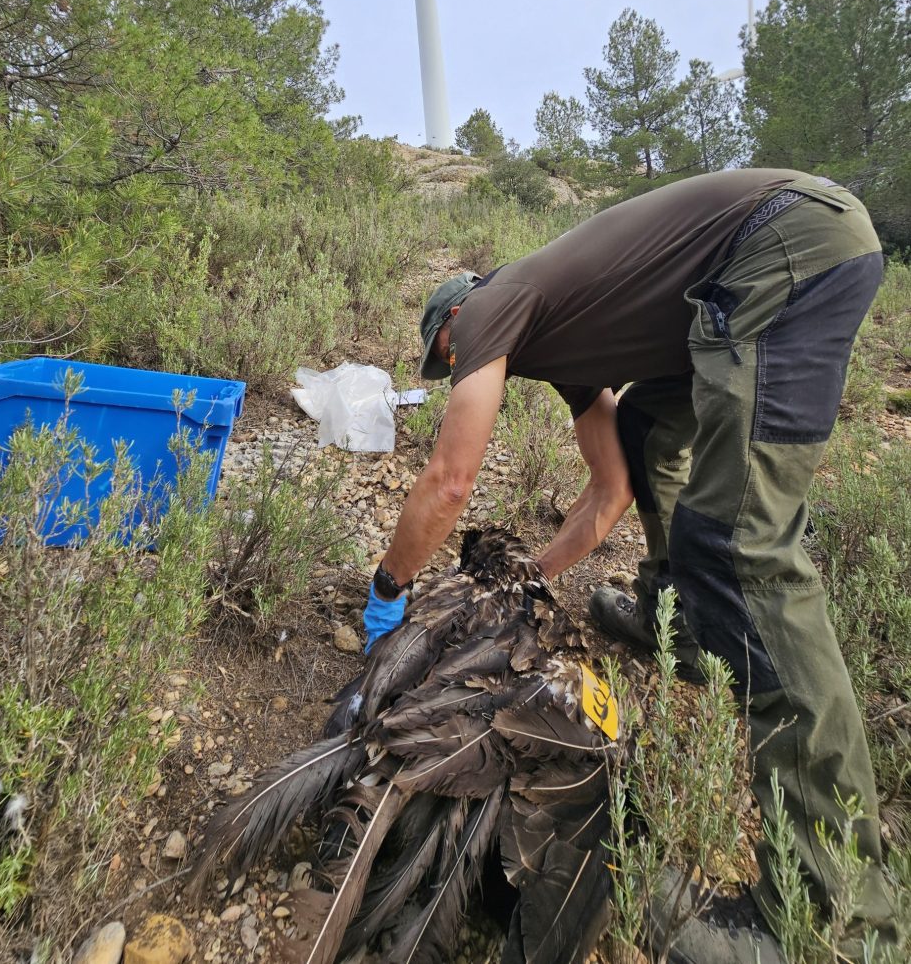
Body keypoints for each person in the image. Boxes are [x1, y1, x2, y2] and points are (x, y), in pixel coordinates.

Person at [361, 167, 898, 962]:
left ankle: (835, 909)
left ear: (456, 317)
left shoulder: (495, 305)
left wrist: (388, 589)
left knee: (745, 549)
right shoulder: (565, 341)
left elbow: (449, 480)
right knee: (648, 426)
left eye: (448, 355)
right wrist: (528, 575)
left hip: (788, 247)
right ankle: (674, 621)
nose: (456, 369)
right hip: (779, 248)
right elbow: (609, 489)